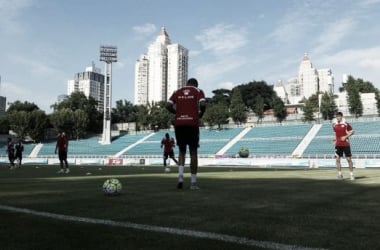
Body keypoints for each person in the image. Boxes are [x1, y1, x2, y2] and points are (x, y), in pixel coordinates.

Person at [166, 78, 206, 189]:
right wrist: (201, 114)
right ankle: (193, 183)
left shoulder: (177, 91)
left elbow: (168, 105)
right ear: (195, 84)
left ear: (187, 84)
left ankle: (180, 178)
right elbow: (203, 104)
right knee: (193, 152)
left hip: (179, 125)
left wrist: (177, 113)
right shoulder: (198, 91)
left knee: (181, 151)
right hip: (192, 124)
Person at [333, 112, 355, 180]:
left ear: (342, 117)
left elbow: (352, 131)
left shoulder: (346, 124)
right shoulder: (334, 124)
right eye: (337, 116)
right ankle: (340, 175)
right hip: (338, 144)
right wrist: (334, 139)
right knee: (337, 159)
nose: (338, 117)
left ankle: (351, 174)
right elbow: (335, 133)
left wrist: (345, 136)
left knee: (348, 159)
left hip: (345, 144)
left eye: (339, 116)